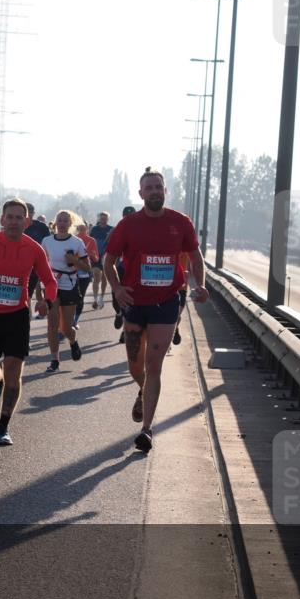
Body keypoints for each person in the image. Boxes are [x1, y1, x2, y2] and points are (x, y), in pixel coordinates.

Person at [104, 167, 208, 452]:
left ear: (165, 190)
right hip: (135, 301)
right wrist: (117, 288)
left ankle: (147, 430)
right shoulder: (128, 225)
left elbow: (196, 257)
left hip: (166, 301)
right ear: (141, 194)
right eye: (149, 188)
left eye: (158, 187)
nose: (154, 192)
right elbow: (108, 260)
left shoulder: (180, 222)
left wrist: (199, 285)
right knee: (135, 366)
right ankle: (142, 389)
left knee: (154, 365)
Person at [0, 198, 57, 445]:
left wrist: (46, 301)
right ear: (2, 219)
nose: (14, 221)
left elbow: (50, 281)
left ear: (26, 222)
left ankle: (3, 425)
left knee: (15, 372)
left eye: (19, 217)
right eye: (10, 217)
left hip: (17, 316)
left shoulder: (34, 248)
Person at [42, 210, 89, 372]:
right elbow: (41, 264)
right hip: (51, 284)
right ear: (55, 223)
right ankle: (54, 359)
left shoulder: (77, 243)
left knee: (65, 328)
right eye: (59, 220)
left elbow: (87, 268)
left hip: (69, 284)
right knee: (52, 325)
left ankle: (73, 341)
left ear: (70, 224)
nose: (62, 224)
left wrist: (74, 260)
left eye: (65, 221)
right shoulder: (46, 241)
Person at [113, 205, 137, 343]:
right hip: (120, 268)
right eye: (126, 215)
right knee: (116, 300)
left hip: (134, 270)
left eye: (131, 215)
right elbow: (111, 251)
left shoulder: (141, 230)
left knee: (130, 300)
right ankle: (119, 312)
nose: (128, 218)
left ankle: (125, 332)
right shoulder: (119, 229)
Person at [23, 203, 51, 319]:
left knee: (28, 295)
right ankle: (26, 321)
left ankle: (28, 320)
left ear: (34, 213)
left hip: (37, 264)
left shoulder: (41, 227)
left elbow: (49, 244)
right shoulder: (17, 225)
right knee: (25, 296)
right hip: (19, 264)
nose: (28, 214)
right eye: (26, 211)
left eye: (30, 212)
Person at [73, 222, 99, 327]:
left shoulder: (91, 240)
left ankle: (75, 320)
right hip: (71, 273)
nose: (83, 230)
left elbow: (96, 258)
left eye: (84, 228)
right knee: (70, 297)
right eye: (80, 228)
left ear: (87, 229)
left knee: (80, 297)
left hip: (85, 274)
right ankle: (68, 320)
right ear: (77, 228)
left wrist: (92, 255)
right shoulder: (73, 239)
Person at [89, 212, 112, 309]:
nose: (103, 220)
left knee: (104, 278)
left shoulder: (111, 229)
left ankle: (101, 297)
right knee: (96, 277)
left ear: (107, 219)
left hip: (106, 256)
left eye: (105, 218)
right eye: (102, 218)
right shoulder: (94, 229)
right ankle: (95, 299)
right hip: (96, 257)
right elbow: (90, 242)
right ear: (99, 219)